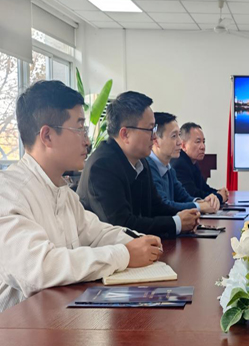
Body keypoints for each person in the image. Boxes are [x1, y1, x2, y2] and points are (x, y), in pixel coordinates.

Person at [0, 81, 161, 312]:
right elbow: (41, 268)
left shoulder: (62, 191)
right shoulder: (8, 193)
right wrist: (124, 254)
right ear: (47, 136)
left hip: (58, 318)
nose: (87, 140)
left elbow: (96, 233)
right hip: (17, 328)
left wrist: (138, 241)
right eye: (79, 129)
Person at [77, 91, 200, 238]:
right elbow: (122, 226)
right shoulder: (102, 166)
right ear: (125, 134)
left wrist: (187, 216)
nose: (154, 137)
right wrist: (177, 223)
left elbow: (156, 207)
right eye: (150, 129)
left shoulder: (141, 161)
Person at [148, 112, 219, 213]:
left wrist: (203, 202)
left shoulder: (168, 168)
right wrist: (200, 206)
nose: (180, 142)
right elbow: (163, 205)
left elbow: (183, 197)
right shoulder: (148, 168)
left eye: (179, 135)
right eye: (174, 136)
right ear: (156, 141)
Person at [171, 122, 228, 205]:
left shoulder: (192, 162)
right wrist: (219, 197)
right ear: (183, 145)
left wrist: (218, 192)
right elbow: (192, 195)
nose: (203, 147)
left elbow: (203, 187)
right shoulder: (179, 164)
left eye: (203, 142)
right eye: (198, 142)